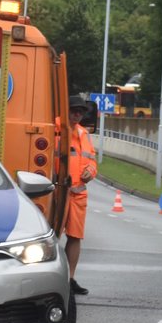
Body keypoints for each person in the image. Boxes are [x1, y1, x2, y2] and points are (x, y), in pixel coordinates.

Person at [63, 95, 97, 296]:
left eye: (80, 111)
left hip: (77, 194)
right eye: (73, 110)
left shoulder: (84, 133)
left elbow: (92, 160)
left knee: (75, 237)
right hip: (57, 192)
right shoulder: (56, 129)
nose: (77, 114)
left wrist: (90, 172)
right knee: (51, 236)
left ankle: (70, 279)